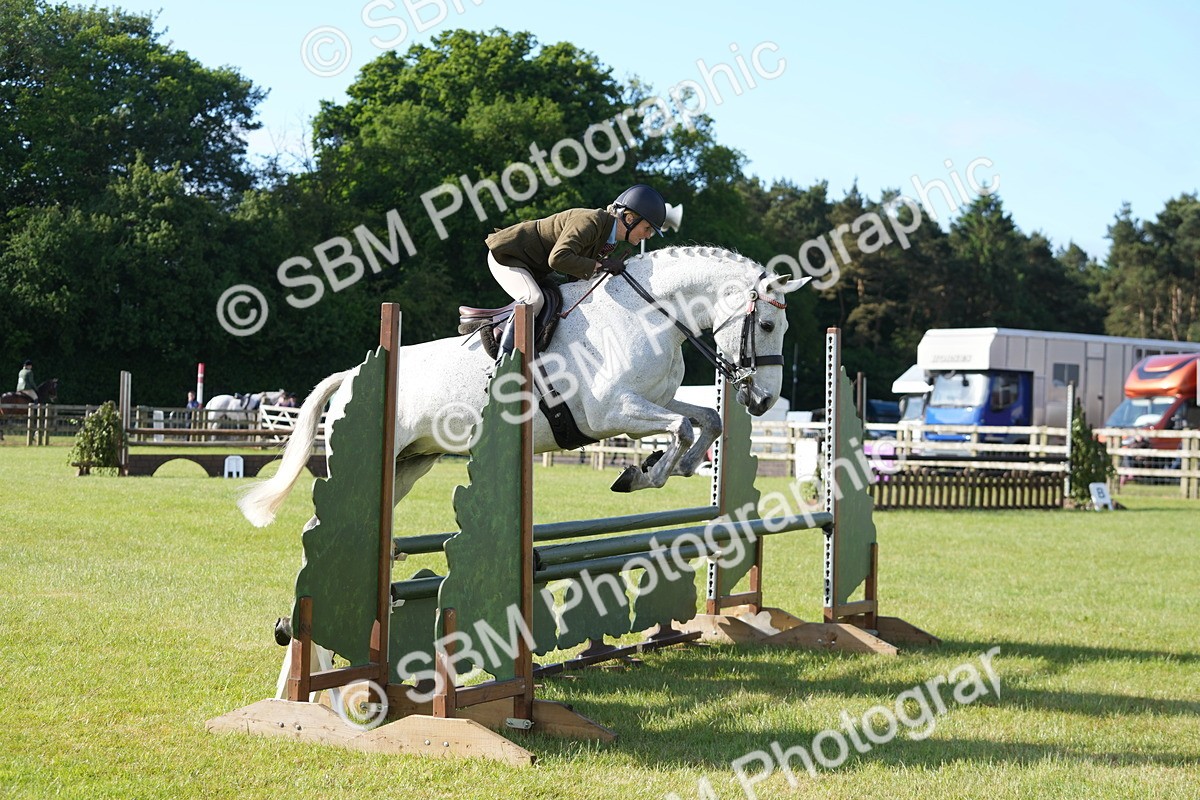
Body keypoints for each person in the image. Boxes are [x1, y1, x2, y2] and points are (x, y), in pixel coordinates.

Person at [483, 184, 668, 353]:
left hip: (533, 268)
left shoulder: (607, 238)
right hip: (509, 256)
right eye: (647, 228)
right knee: (534, 299)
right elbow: (558, 259)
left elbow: (575, 275)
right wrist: (601, 265)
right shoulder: (591, 221)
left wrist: (602, 270)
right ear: (629, 219)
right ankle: (504, 364)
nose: (649, 235)